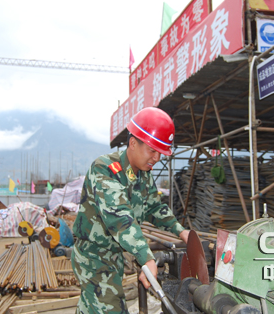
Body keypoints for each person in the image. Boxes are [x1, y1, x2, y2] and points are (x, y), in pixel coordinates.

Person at [72, 107, 190, 314]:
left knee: (91, 308)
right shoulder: (104, 169)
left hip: (114, 254)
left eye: (160, 153)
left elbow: (155, 206)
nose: (156, 158)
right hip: (93, 257)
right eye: (152, 150)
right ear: (133, 143)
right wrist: (146, 257)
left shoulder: (143, 174)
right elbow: (120, 217)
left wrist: (181, 231)